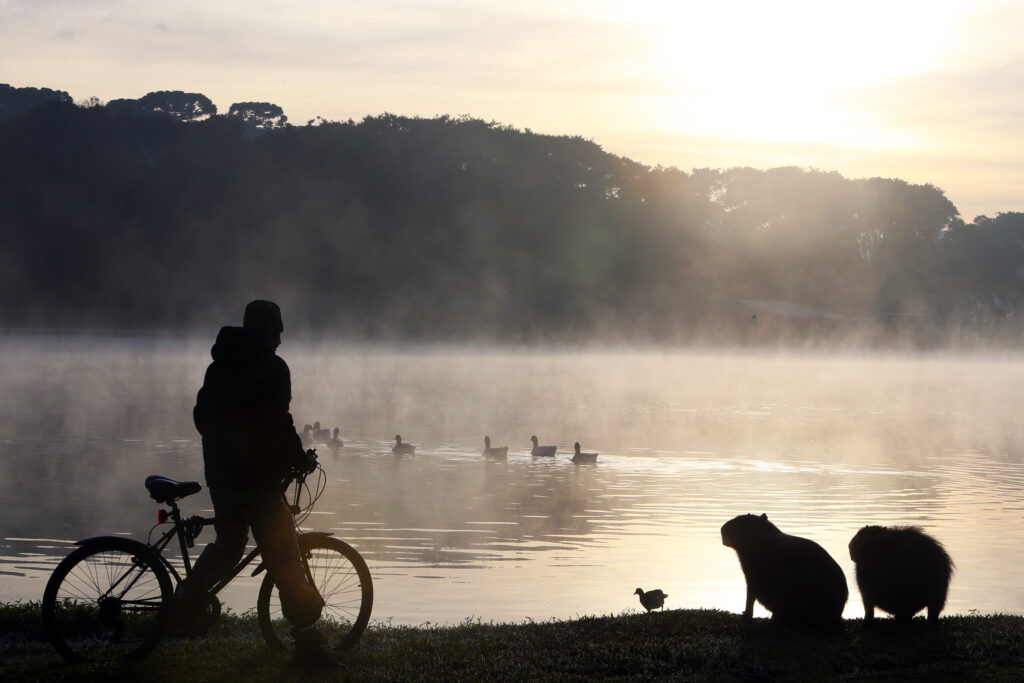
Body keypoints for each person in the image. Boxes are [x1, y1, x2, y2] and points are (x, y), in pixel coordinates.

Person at [177, 300, 340, 670]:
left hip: (222, 479)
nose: (281, 339)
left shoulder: (217, 367)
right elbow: (279, 422)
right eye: (278, 331)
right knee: (285, 559)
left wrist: (226, 448)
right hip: (259, 483)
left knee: (229, 545)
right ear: (270, 331)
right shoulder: (272, 367)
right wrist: (297, 459)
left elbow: (202, 418)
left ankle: (184, 601)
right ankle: (308, 648)